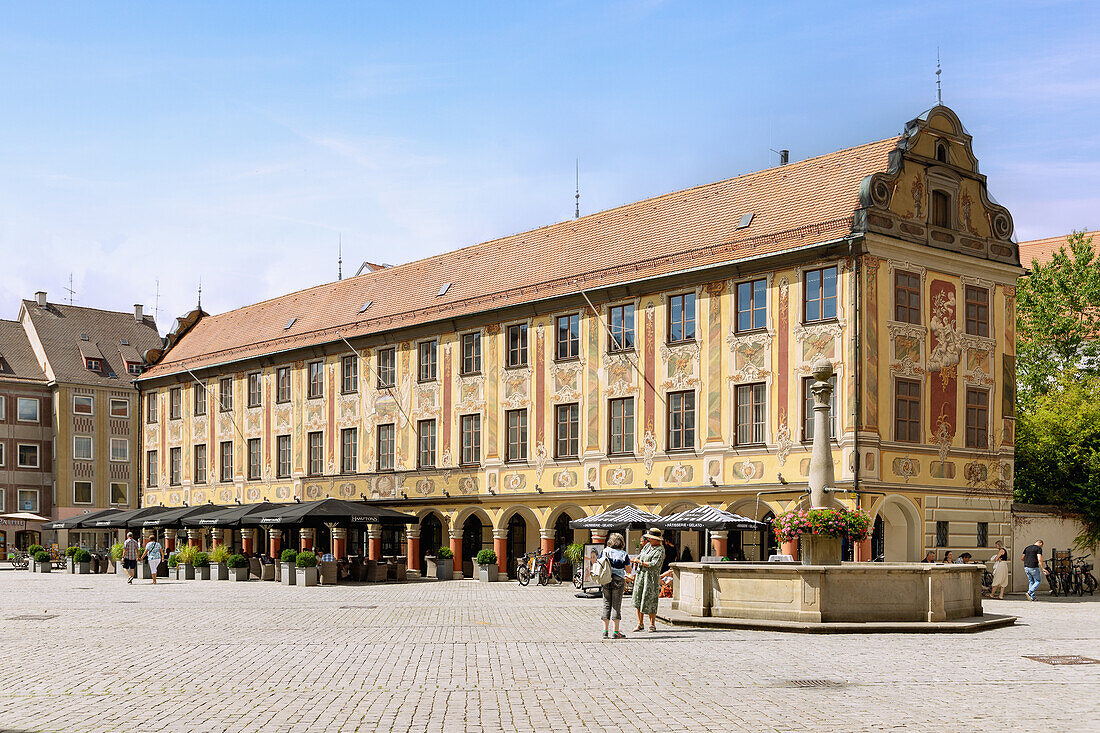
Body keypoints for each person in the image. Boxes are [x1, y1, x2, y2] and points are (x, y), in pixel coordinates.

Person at [632, 527, 666, 632]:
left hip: (651, 578)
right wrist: (636, 561)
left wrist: (640, 562)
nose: (649, 540)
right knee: (639, 597)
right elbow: (640, 556)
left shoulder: (660, 549)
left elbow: (655, 564)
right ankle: (640, 623)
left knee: (651, 599)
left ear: (657, 539)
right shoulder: (647, 546)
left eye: (651, 538)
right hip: (641, 576)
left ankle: (652, 624)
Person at [598, 533, 630, 639]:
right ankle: (616, 632)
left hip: (606, 578)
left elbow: (599, 563)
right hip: (618, 579)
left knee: (606, 603)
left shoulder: (605, 551)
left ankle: (605, 631)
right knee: (616, 605)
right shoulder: (623, 554)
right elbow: (628, 570)